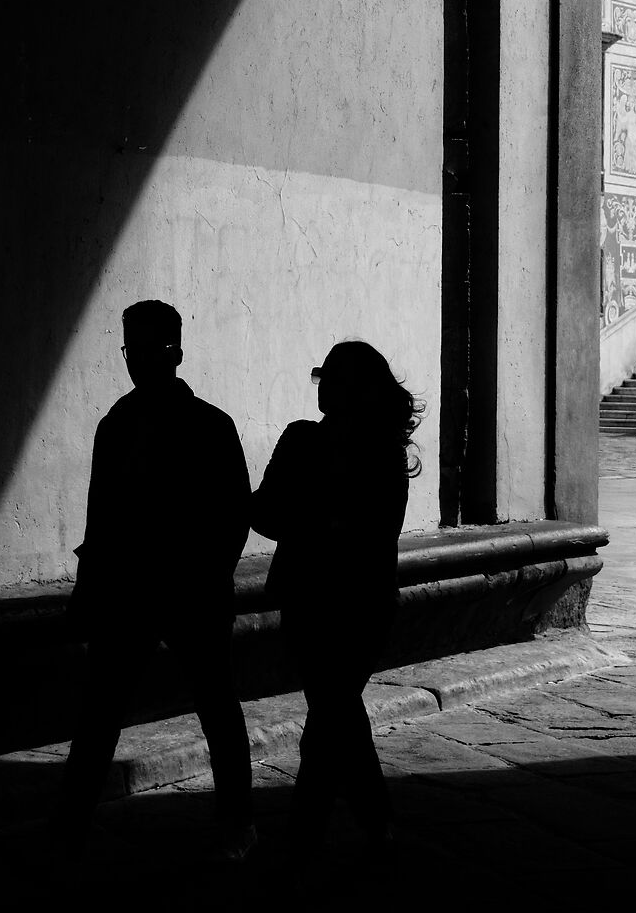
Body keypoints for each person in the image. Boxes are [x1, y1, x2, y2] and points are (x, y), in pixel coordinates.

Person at [54, 301, 257, 861]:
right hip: (155, 591)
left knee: (129, 712)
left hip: (165, 590)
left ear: (173, 353)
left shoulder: (129, 425)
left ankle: (73, 826)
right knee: (203, 708)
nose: (135, 361)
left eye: (144, 350)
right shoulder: (165, 425)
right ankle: (233, 823)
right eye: (131, 350)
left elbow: (231, 514)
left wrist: (207, 575)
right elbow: (105, 517)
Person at [250, 341, 421, 847]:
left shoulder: (359, 450)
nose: (322, 386)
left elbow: (277, 515)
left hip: (341, 601)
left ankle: (307, 843)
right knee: (336, 712)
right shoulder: (349, 447)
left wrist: (309, 519)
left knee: (329, 717)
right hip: (335, 601)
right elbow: (268, 515)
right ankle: (375, 824)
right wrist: (328, 521)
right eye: (321, 376)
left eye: (332, 378)